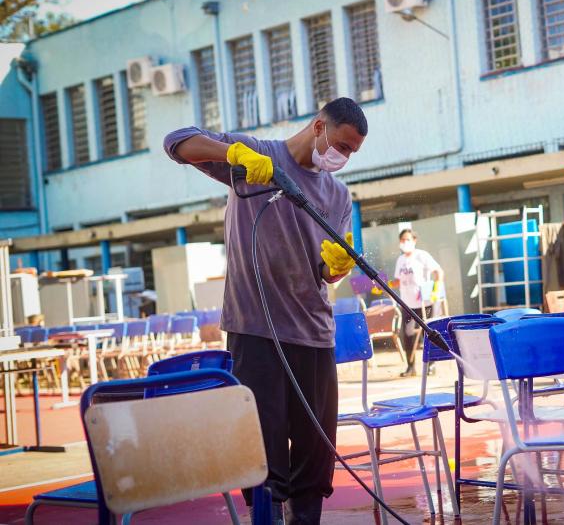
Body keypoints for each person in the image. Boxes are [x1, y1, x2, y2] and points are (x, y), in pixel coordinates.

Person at [163, 98, 366, 525]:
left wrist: (336, 268)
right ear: (319, 127)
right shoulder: (255, 156)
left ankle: (305, 518)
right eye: (342, 145)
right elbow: (177, 142)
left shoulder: (337, 194)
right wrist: (232, 154)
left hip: (313, 332)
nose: (343, 157)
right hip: (255, 328)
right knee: (263, 450)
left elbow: (324, 272)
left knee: (315, 451)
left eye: (351, 152)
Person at [391, 229, 443, 377]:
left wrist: (436, 288)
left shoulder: (422, 255)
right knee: (408, 335)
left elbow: (438, 272)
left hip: (425, 303)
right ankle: (410, 366)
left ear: (414, 240)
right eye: (402, 240)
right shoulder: (400, 260)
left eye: (407, 239)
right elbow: (397, 281)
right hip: (407, 304)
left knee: (429, 334)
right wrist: (385, 284)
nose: (405, 242)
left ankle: (431, 365)